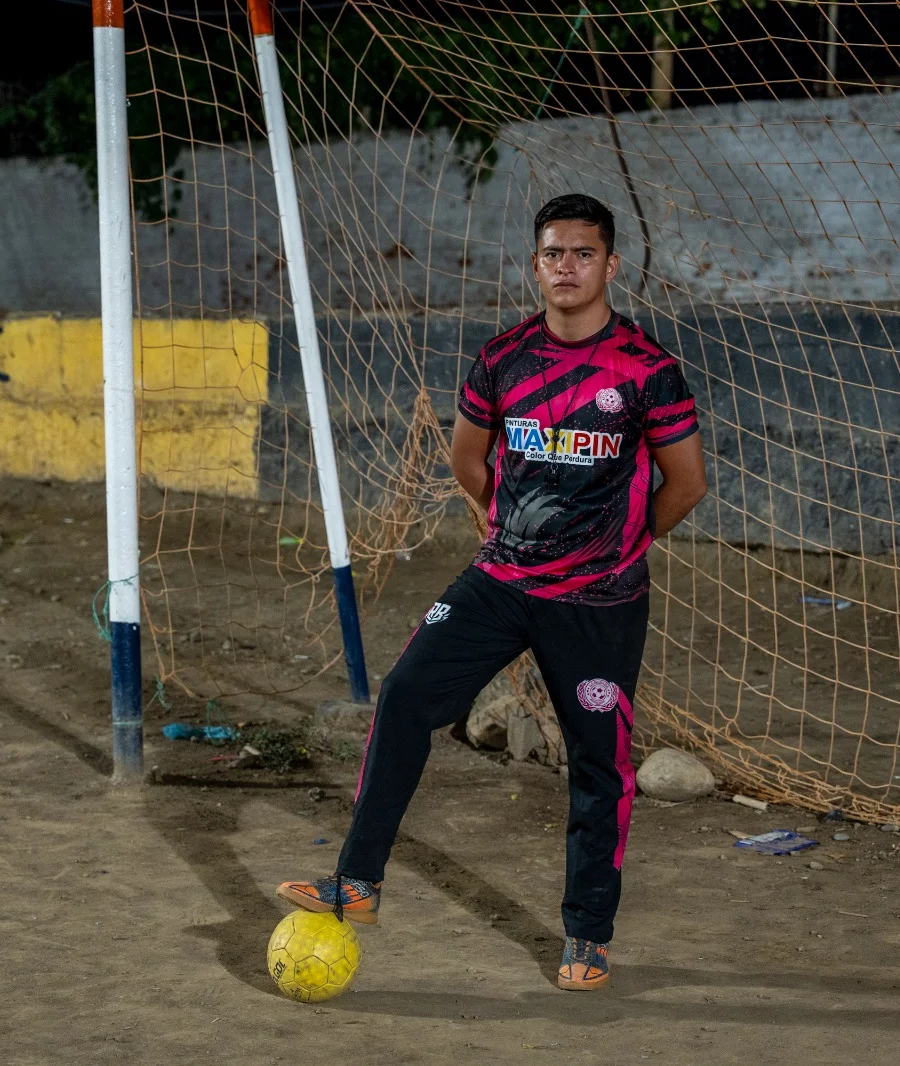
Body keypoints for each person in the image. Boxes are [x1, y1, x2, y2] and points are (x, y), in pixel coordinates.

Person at [276, 193, 708, 991]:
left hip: (598, 600)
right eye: (553, 253)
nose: (567, 267)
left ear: (611, 266)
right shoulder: (503, 355)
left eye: (583, 254)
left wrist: (625, 544)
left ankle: (587, 935)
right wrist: (496, 524)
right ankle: (358, 882)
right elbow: (466, 460)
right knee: (405, 696)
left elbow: (687, 482)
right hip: (501, 580)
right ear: (535, 264)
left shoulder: (647, 370)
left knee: (598, 764)